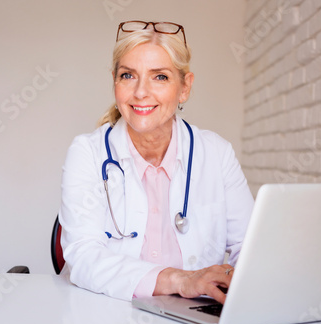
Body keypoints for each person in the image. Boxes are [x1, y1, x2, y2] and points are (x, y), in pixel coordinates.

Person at [59, 21, 254, 304]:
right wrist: (179, 279)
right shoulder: (87, 153)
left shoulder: (216, 153)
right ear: (115, 81)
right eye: (128, 75)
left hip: (191, 316)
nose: (140, 92)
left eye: (159, 77)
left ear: (184, 87)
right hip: (104, 312)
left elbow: (249, 249)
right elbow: (83, 255)